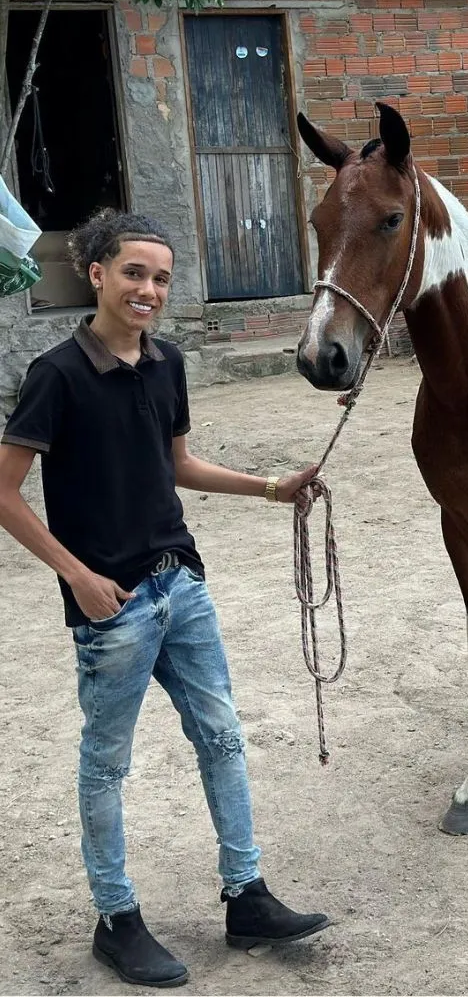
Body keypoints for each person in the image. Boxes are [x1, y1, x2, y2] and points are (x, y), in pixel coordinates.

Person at [0, 210, 330, 988]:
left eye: (161, 278)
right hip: (110, 606)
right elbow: (5, 493)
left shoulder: (168, 361)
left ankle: (246, 897)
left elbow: (177, 462)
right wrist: (76, 574)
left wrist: (270, 487)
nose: (148, 289)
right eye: (134, 273)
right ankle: (116, 919)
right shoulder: (58, 374)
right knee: (107, 766)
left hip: (179, 585)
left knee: (221, 738)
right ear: (96, 275)